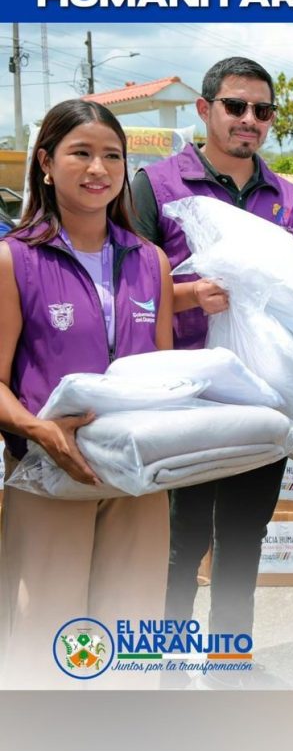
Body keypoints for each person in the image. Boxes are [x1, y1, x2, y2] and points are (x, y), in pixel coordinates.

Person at [131, 57, 293, 684]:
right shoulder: (155, 186)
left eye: (262, 111)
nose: (249, 120)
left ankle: (231, 658)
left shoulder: (286, 199)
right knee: (180, 539)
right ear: (204, 109)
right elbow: (122, 283)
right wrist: (185, 296)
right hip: (182, 392)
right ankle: (166, 664)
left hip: (261, 393)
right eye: (236, 106)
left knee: (244, 533)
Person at [0, 100, 174, 688]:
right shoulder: (13, 258)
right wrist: (38, 429)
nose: (98, 168)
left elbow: (167, 374)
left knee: (132, 628)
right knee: (48, 632)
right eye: (81, 153)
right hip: (49, 477)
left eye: (112, 155)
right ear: (46, 163)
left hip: (138, 478)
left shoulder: (150, 260)